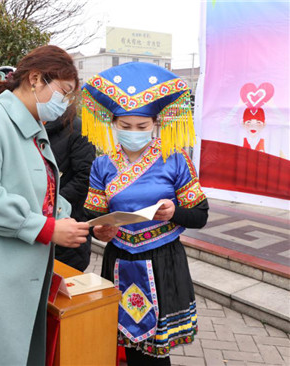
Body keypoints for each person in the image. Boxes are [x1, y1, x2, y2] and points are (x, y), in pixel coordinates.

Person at [0, 45, 90, 365]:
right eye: (63, 91)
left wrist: (84, 223)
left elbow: (42, 192)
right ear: (36, 79)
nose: (64, 102)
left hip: (13, 274)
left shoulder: (31, 128)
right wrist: (47, 228)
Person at [81, 62, 209, 366]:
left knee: (155, 349)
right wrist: (99, 231)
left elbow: (201, 215)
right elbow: (92, 215)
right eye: (125, 126)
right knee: (129, 347)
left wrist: (175, 211)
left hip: (162, 259)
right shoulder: (103, 165)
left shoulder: (174, 160)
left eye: (142, 126)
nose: (133, 133)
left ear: (156, 123)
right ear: (113, 123)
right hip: (120, 258)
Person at [46, 112, 96, 271]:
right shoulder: (27, 128)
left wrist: (52, 203)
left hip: (69, 227)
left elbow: (85, 176)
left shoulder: (78, 129)